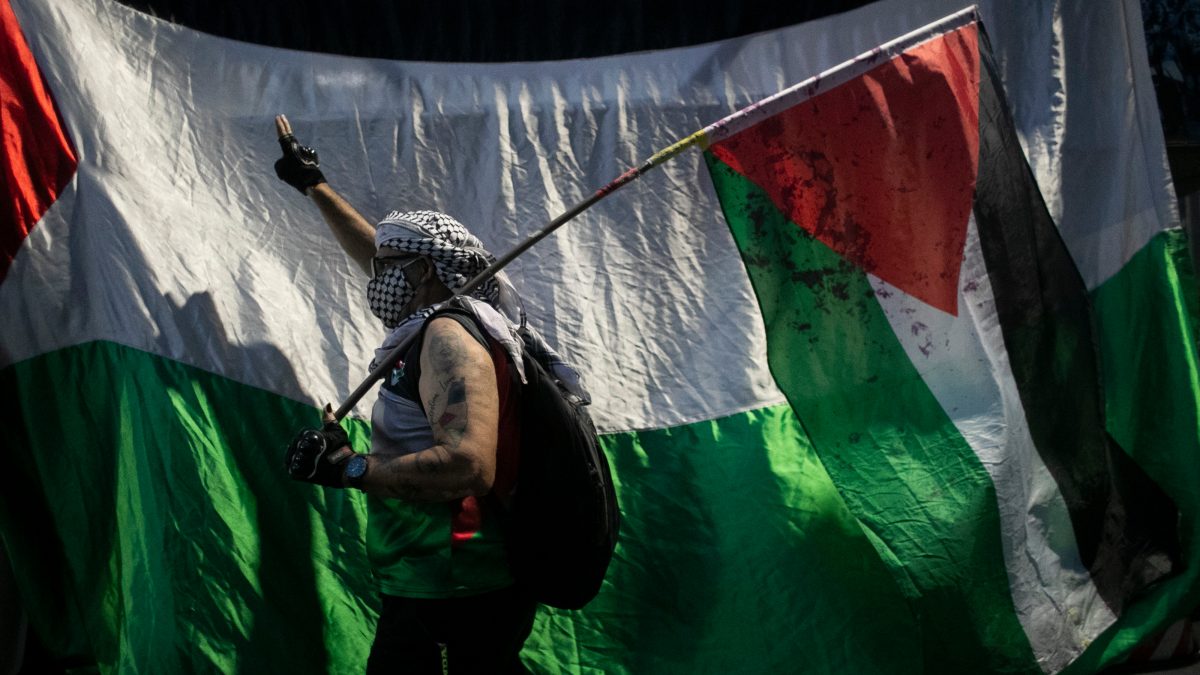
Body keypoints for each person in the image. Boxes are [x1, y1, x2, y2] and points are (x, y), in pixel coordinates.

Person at [272, 114, 537, 674]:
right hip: (435, 580)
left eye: (390, 267)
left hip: (454, 583)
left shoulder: (448, 338)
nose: (377, 277)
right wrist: (314, 186)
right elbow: (378, 251)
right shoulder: (445, 317)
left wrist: (348, 468)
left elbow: (469, 466)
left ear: (425, 270)